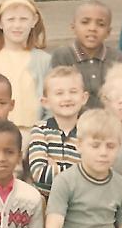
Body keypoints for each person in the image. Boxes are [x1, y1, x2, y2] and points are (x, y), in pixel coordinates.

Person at [0, 0, 52, 131]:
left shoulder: (44, 61)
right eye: (11, 19)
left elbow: (52, 104)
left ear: (34, 20)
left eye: (23, 19)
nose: (17, 25)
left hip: (33, 134)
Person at [48, 0, 122, 112]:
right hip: (71, 120)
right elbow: (57, 95)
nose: (92, 28)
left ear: (108, 32)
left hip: (109, 122)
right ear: (73, 27)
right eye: (85, 22)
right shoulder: (62, 55)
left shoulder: (117, 58)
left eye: (101, 24)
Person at [25, 66, 88, 196]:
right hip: (44, 201)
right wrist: (80, 171)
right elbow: (38, 173)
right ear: (46, 102)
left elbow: (94, 174)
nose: (67, 98)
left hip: (78, 202)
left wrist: (54, 169)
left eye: (73, 91)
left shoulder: (89, 132)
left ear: (84, 98)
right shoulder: (40, 130)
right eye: (59, 93)